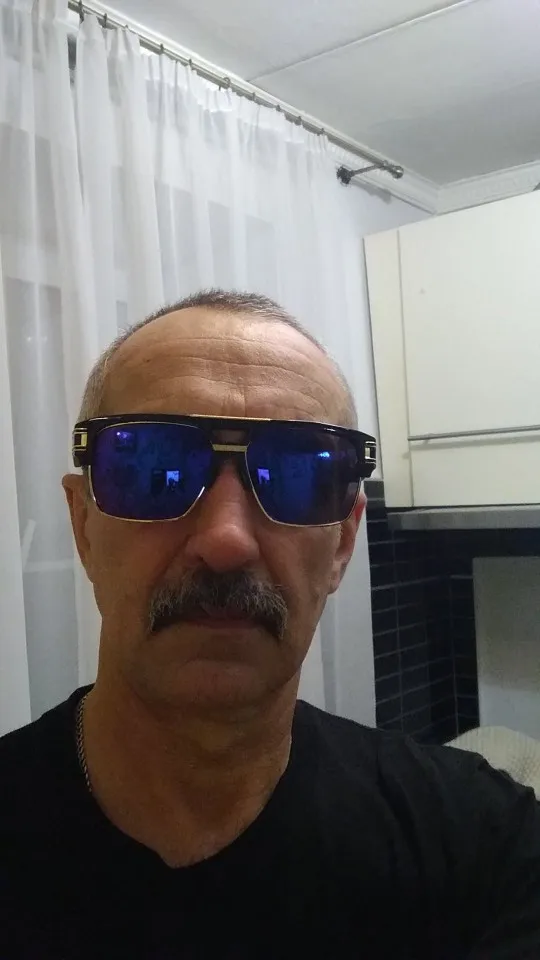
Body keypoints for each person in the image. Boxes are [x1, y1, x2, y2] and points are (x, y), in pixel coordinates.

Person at [0, 289, 539, 960]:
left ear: (342, 545)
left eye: (297, 476)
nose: (226, 541)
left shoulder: (487, 845)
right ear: (83, 525)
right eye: (154, 470)